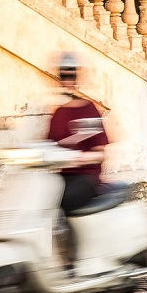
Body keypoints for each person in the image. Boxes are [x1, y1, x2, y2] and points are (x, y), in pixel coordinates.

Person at [47, 52, 109, 216]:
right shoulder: (58, 113)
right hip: (61, 176)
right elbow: (49, 145)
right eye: (64, 75)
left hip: (86, 176)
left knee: (65, 198)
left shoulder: (89, 109)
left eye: (71, 74)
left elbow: (100, 153)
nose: (67, 80)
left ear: (76, 77)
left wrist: (79, 158)